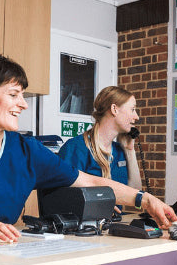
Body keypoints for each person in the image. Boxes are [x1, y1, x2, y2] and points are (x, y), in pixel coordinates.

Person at [0, 55, 177, 245]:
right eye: (14, 95)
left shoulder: (27, 151)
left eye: (23, 95)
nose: (23, 104)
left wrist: (145, 200)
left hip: (2, 252)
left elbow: (89, 180)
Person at [58, 86, 142, 214]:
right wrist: (99, 201)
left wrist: (130, 151)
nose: (136, 117)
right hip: (85, 226)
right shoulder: (76, 148)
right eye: (132, 109)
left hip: (112, 223)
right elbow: (62, 197)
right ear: (114, 109)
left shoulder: (119, 150)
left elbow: (134, 192)